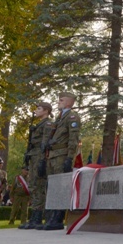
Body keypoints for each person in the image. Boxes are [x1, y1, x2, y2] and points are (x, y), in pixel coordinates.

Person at [40, 91, 81, 230]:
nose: (59, 102)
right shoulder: (59, 118)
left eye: (62, 100)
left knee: (60, 187)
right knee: (52, 187)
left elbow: (73, 139)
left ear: (69, 103)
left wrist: (70, 158)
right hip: (52, 155)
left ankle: (57, 219)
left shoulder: (72, 117)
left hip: (62, 155)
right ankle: (51, 217)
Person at [19, 101, 54, 229]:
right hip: (34, 155)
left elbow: (45, 144)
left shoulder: (48, 124)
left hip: (40, 157)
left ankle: (38, 217)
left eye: (39, 109)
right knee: (33, 185)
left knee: (38, 185)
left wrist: (42, 161)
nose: (36, 111)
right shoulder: (38, 124)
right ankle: (34, 216)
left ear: (46, 111)